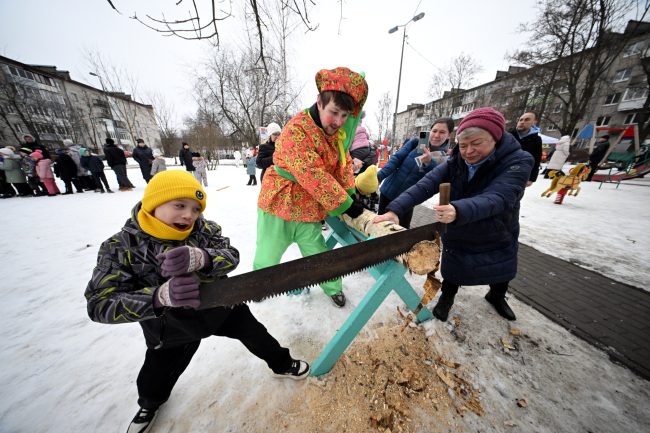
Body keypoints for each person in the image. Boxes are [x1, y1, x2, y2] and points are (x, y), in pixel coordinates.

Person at [84, 171, 310, 433]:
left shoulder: (205, 229)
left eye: (195, 208)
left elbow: (231, 255)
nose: (189, 215)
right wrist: (158, 297)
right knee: (157, 373)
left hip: (221, 306)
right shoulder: (119, 247)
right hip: (170, 326)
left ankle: (282, 363)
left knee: (257, 334)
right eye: (179, 205)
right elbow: (99, 304)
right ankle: (150, 404)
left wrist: (204, 258)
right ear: (153, 203)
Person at [373, 107, 533, 322]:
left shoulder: (518, 161)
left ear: (495, 138)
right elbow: (426, 184)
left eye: (476, 144)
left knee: (500, 266)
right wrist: (395, 209)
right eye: (464, 145)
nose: (468, 151)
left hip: (497, 227)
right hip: (460, 227)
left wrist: (458, 209)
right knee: (455, 268)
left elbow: (501, 196)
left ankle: (497, 296)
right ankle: (447, 298)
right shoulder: (455, 161)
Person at [254, 66, 369, 308]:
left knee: (319, 257)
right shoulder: (297, 130)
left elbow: (343, 165)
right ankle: (258, 285)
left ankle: (333, 288)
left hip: (307, 211)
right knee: (267, 255)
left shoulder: (335, 136)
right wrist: (346, 205)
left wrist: (350, 193)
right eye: (334, 112)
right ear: (319, 102)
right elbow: (313, 175)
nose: (338, 122)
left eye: (345, 116)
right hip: (279, 205)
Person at [376, 118, 454, 228]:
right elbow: (396, 159)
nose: (436, 135)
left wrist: (429, 163)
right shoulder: (416, 142)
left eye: (442, 132)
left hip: (407, 200)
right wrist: (379, 177)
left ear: (449, 135)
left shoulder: (445, 158)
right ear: (430, 131)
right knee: (380, 225)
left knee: (400, 231)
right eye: (434, 131)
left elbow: (434, 181)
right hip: (388, 191)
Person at [509, 111, 542, 186]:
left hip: (520, 175)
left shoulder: (536, 139)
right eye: (521, 120)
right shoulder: (508, 135)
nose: (522, 122)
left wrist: (531, 178)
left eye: (527, 120)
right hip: (502, 171)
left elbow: (536, 159)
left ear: (534, 122)